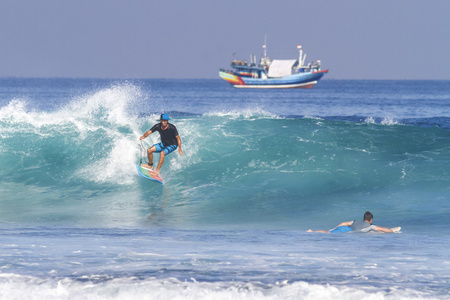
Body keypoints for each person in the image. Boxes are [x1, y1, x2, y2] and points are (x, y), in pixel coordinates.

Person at [307, 211, 396, 233]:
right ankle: (312, 232)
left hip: (344, 228)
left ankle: (312, 231)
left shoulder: (354, 221)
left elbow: (343, 223)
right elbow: (382, 229)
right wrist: (392, 231)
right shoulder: (370, 226)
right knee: (328, 233)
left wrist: (334, 228)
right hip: (347, 231)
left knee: (328, 232)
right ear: (371, 220)